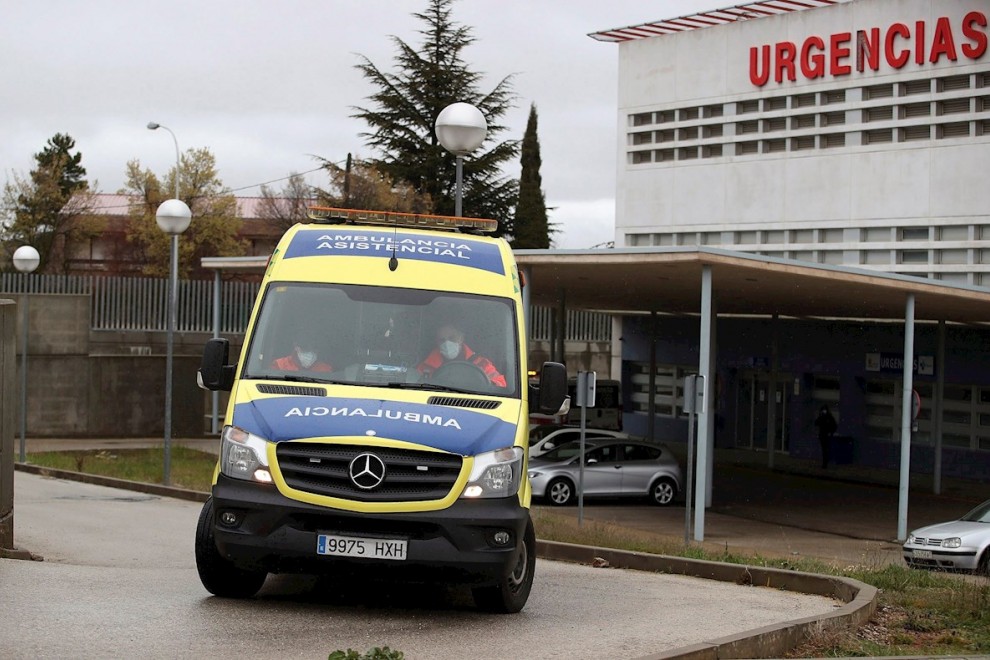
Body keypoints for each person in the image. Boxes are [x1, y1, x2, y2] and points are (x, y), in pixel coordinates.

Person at [417, 323, 506, 389]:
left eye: (452, 338)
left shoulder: (481, 363)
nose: (447, 343)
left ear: (461, 338)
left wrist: (488, 384)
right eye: (442, 340)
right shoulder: (426, 366)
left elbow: (501, 384)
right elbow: (414, 384)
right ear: (437, 342)